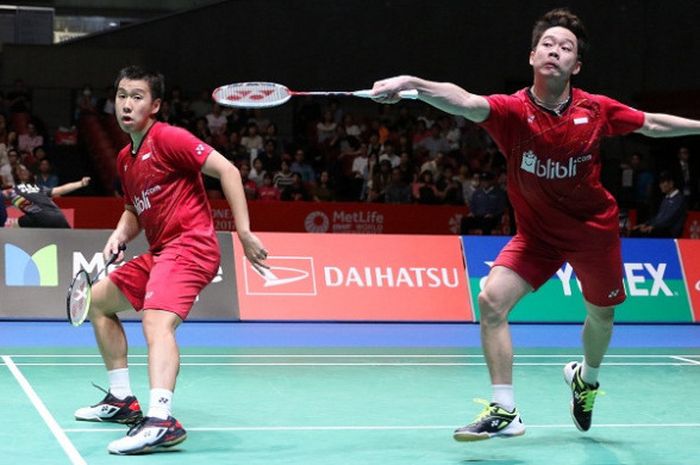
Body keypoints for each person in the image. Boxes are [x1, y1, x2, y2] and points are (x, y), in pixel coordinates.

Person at [371, 8, 700, 442]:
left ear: (575, 66)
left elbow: (653, 124)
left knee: (602, 318)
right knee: (491, 300)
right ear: (532, 56)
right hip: (537, 237)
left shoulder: (595, 109)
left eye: (566, 48)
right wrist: (411, 83)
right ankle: (505, 410)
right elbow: (465, 101)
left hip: (592, 232)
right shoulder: (511, 112)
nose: (555, 51)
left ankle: (587, 378)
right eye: (548, 44)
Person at [72, 66, 268, 455]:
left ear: (156, 105)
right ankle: (122, 399)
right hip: (162, 251)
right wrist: (118, 234)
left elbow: (227, 170)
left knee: (156, 320)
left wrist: (243, 232)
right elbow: (134, 210)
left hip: (191, 247)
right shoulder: (127, 159)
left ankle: (161, 419)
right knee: (97, 302)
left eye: (138, 97)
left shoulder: (169, 138)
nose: (127, 104)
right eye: (122, 96)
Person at [1, 164, 89, 228]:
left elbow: (61, 189)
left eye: (25, 170)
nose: (23, 172)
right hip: (56, 217)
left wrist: (80, 183)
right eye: (20, 171)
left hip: (46, 217)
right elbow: (61, 189)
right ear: (16, 175)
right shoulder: (36, 188)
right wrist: (81, 183)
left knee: (15, 225)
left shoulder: (36, 188)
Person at [629, 171, 687, 238]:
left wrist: (653, 227)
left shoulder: (679, 199)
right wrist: (645, 224)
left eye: (663, 183)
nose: (660, 186)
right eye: (660, 183)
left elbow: (669, 219)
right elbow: (658, 217)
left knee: (642, 234)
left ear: (671, 184)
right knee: (635, 231)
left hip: (669, 232)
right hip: (659, 228)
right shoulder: (666, 198)